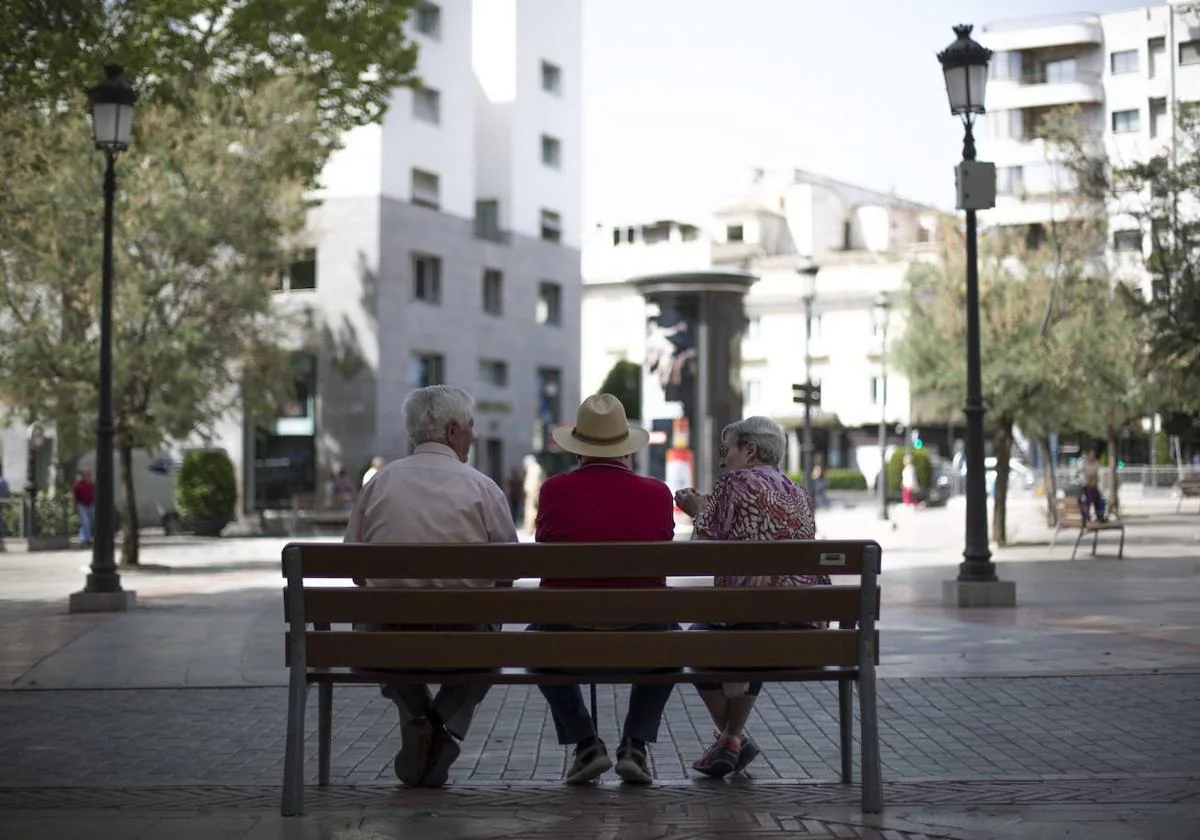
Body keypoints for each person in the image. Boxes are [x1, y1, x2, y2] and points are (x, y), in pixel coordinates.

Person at [344, 385, 518, 788]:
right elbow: (509, 571)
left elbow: (354, 569)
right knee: (488, 643)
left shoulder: (378, 484)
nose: (474, 434)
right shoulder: (483, 487)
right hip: (465, 641)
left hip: (385, 643)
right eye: (471, 426)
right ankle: (440, 726)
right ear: (454, 429)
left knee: (375, 625)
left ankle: (419, 720)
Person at [532, 393, 676, 785]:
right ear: (625, 451)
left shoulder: (554, 490)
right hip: (644, 637)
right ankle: (634, 746)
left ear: (578, 451)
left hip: (566, 636)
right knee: (674, 639)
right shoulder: (657, 493)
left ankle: (586, 745)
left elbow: (544, 550)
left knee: (532, 642)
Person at [674, 416, 826, 778]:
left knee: (692, 643)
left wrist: (697, 513)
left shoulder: (734, 481)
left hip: (750, 616)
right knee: (752, 631)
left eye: (727, 450)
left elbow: (702, 550)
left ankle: (732, 737)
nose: (723, 459)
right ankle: (732, 739)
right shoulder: (796, 491)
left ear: (750, 450)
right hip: (803, 621)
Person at [1079, 449, 1105, 523]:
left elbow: (1097, 476)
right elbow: (1080, 473)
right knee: (1087, 501)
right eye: (1091, 454)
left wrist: (1092, 478)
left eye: (1093, 455)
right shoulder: (1083, 463)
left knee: (1099, 501)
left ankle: (1099, 517)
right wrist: (1090, 478)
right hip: (1087, 487)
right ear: (1088, 455)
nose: (1092, 456)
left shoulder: (1096, 463)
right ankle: (1087, 517)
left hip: (1094, 486)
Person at [73, 470, 96, 548]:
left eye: (90, 475)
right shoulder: (79, 485)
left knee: (87, 523)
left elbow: (95, 494)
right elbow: (74, 494)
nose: (89, 477)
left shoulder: (92, 485)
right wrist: (74, 505)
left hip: (91, 505)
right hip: (82, 505)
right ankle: (88, 540)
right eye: (87, 475)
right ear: (85, 476)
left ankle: (82, 538)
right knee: (86, 521)